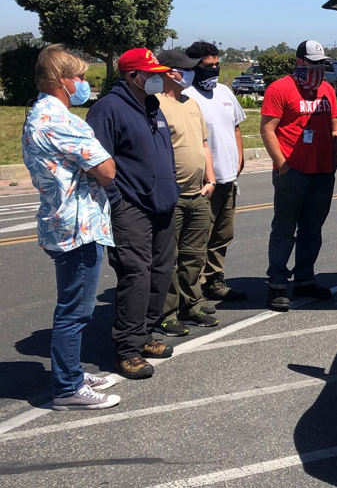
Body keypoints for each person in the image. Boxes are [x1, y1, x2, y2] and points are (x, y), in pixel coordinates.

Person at [22, 44, 121, 409]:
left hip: (60, 220)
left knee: (74, 305)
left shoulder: (37, 114)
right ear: (61, 81)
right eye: (79, 77)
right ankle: (67, 387)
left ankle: (72, 371)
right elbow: (107, 170)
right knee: (76, 309)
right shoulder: (61, 120)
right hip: (78, 225)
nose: (83, 83)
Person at [87, 48, 178, 379]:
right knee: (135, 275)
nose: (159, 78)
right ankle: (127, 349)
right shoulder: (107, 109)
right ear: (131, 76)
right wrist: (117, 201)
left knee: (161, 272)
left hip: (163, 206)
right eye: (151, 73)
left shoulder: (152, 106)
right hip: (130, 208)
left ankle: (145, 334)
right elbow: (97, 162)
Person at [260, 40, 337, 311]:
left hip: (322, 172)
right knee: (284, 230)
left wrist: (333, 160)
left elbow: (334, 125)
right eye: (312, 63)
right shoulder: (280, 88)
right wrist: (282, 165)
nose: (318, 68)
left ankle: (305, 279)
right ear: (298, 62)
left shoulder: (327, 89)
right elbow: (267, 129)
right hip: (292, 173)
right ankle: (277, 284)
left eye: (321, 64)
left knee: (312, 231)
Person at [155, 49, 219, 337]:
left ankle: (191, 305)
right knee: (169, 258)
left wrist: (211, 177)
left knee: (194, 255)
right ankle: (166, 313)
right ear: (171, 72)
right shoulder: (154, 105)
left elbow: (203, 143)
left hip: (199, 193)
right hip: (172, 197)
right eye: (187, 69)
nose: (192, 73)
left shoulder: (190, 103)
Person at [182, 41, 247, 303]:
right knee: (197, 238)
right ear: (194, 66)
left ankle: (214, 280)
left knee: (222, 234)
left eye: (217, 64)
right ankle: (193, 290)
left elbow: (236, 128)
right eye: (208, 66)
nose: (215, 70)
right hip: (203, 181)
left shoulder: (224, 92)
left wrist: (239, 161)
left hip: (228, 178)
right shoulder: (186, 96)